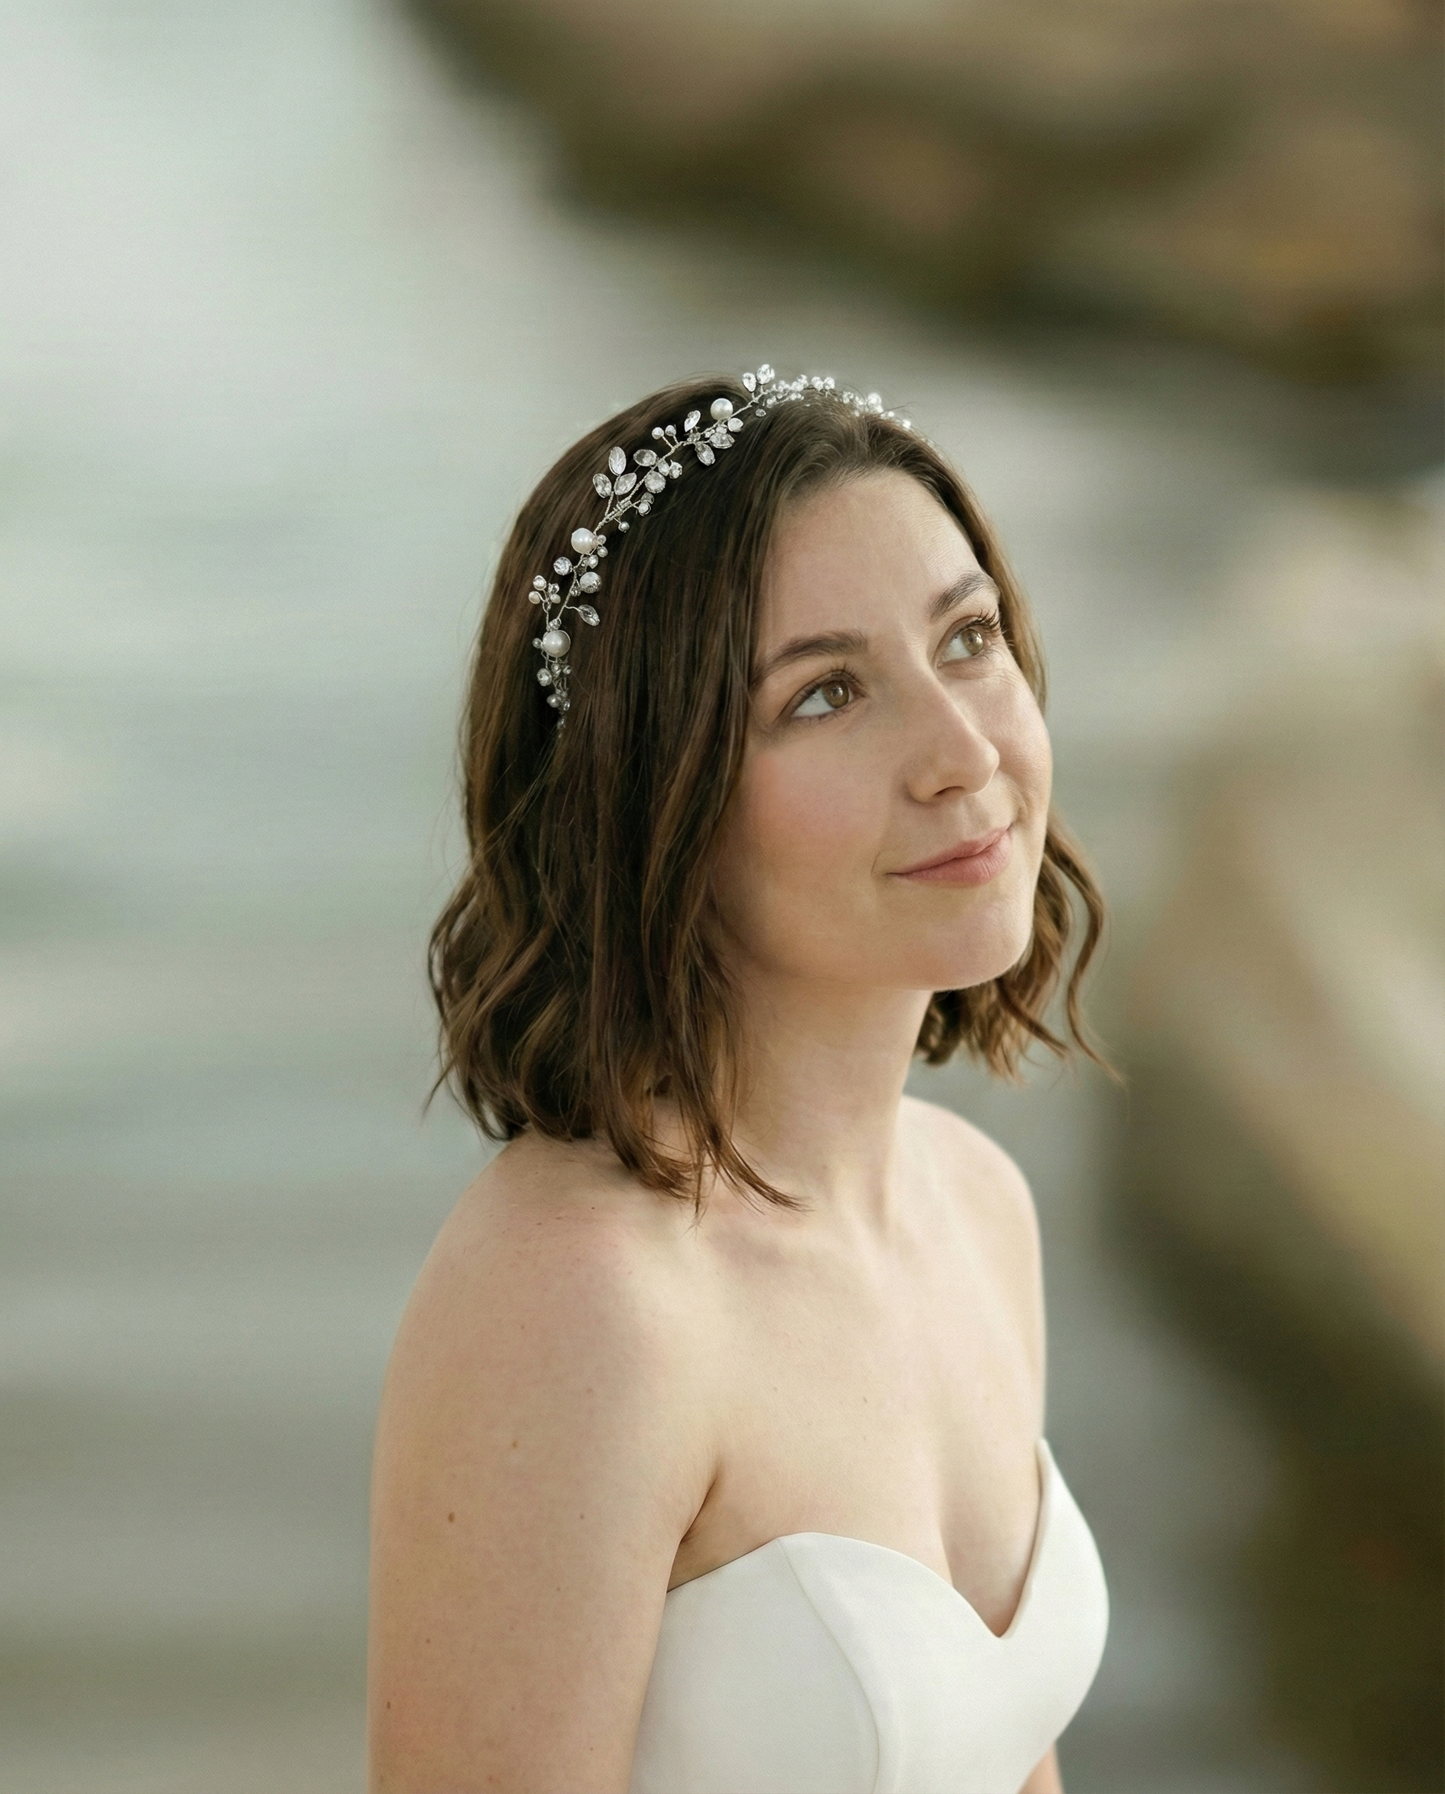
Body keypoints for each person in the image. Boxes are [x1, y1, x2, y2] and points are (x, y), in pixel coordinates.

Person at [367, 368, 1110, 1793]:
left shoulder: (976, 1204)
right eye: (826, 694)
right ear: (655, 794)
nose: (963, 755)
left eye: (967, 638)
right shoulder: (582, 1299)